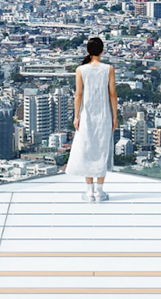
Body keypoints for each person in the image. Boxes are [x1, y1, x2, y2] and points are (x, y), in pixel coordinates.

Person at [65, 36, 118, 202]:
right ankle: (100, 192)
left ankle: (89, 191)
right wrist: (115, 116)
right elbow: (112, 94)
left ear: (87, 51)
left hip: (86, 115)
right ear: (102, 51)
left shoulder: (81, 70)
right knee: (101, 150)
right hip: (104, 115)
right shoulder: (108, 69)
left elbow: (78, 95)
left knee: (88, 150)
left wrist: (76, 116)